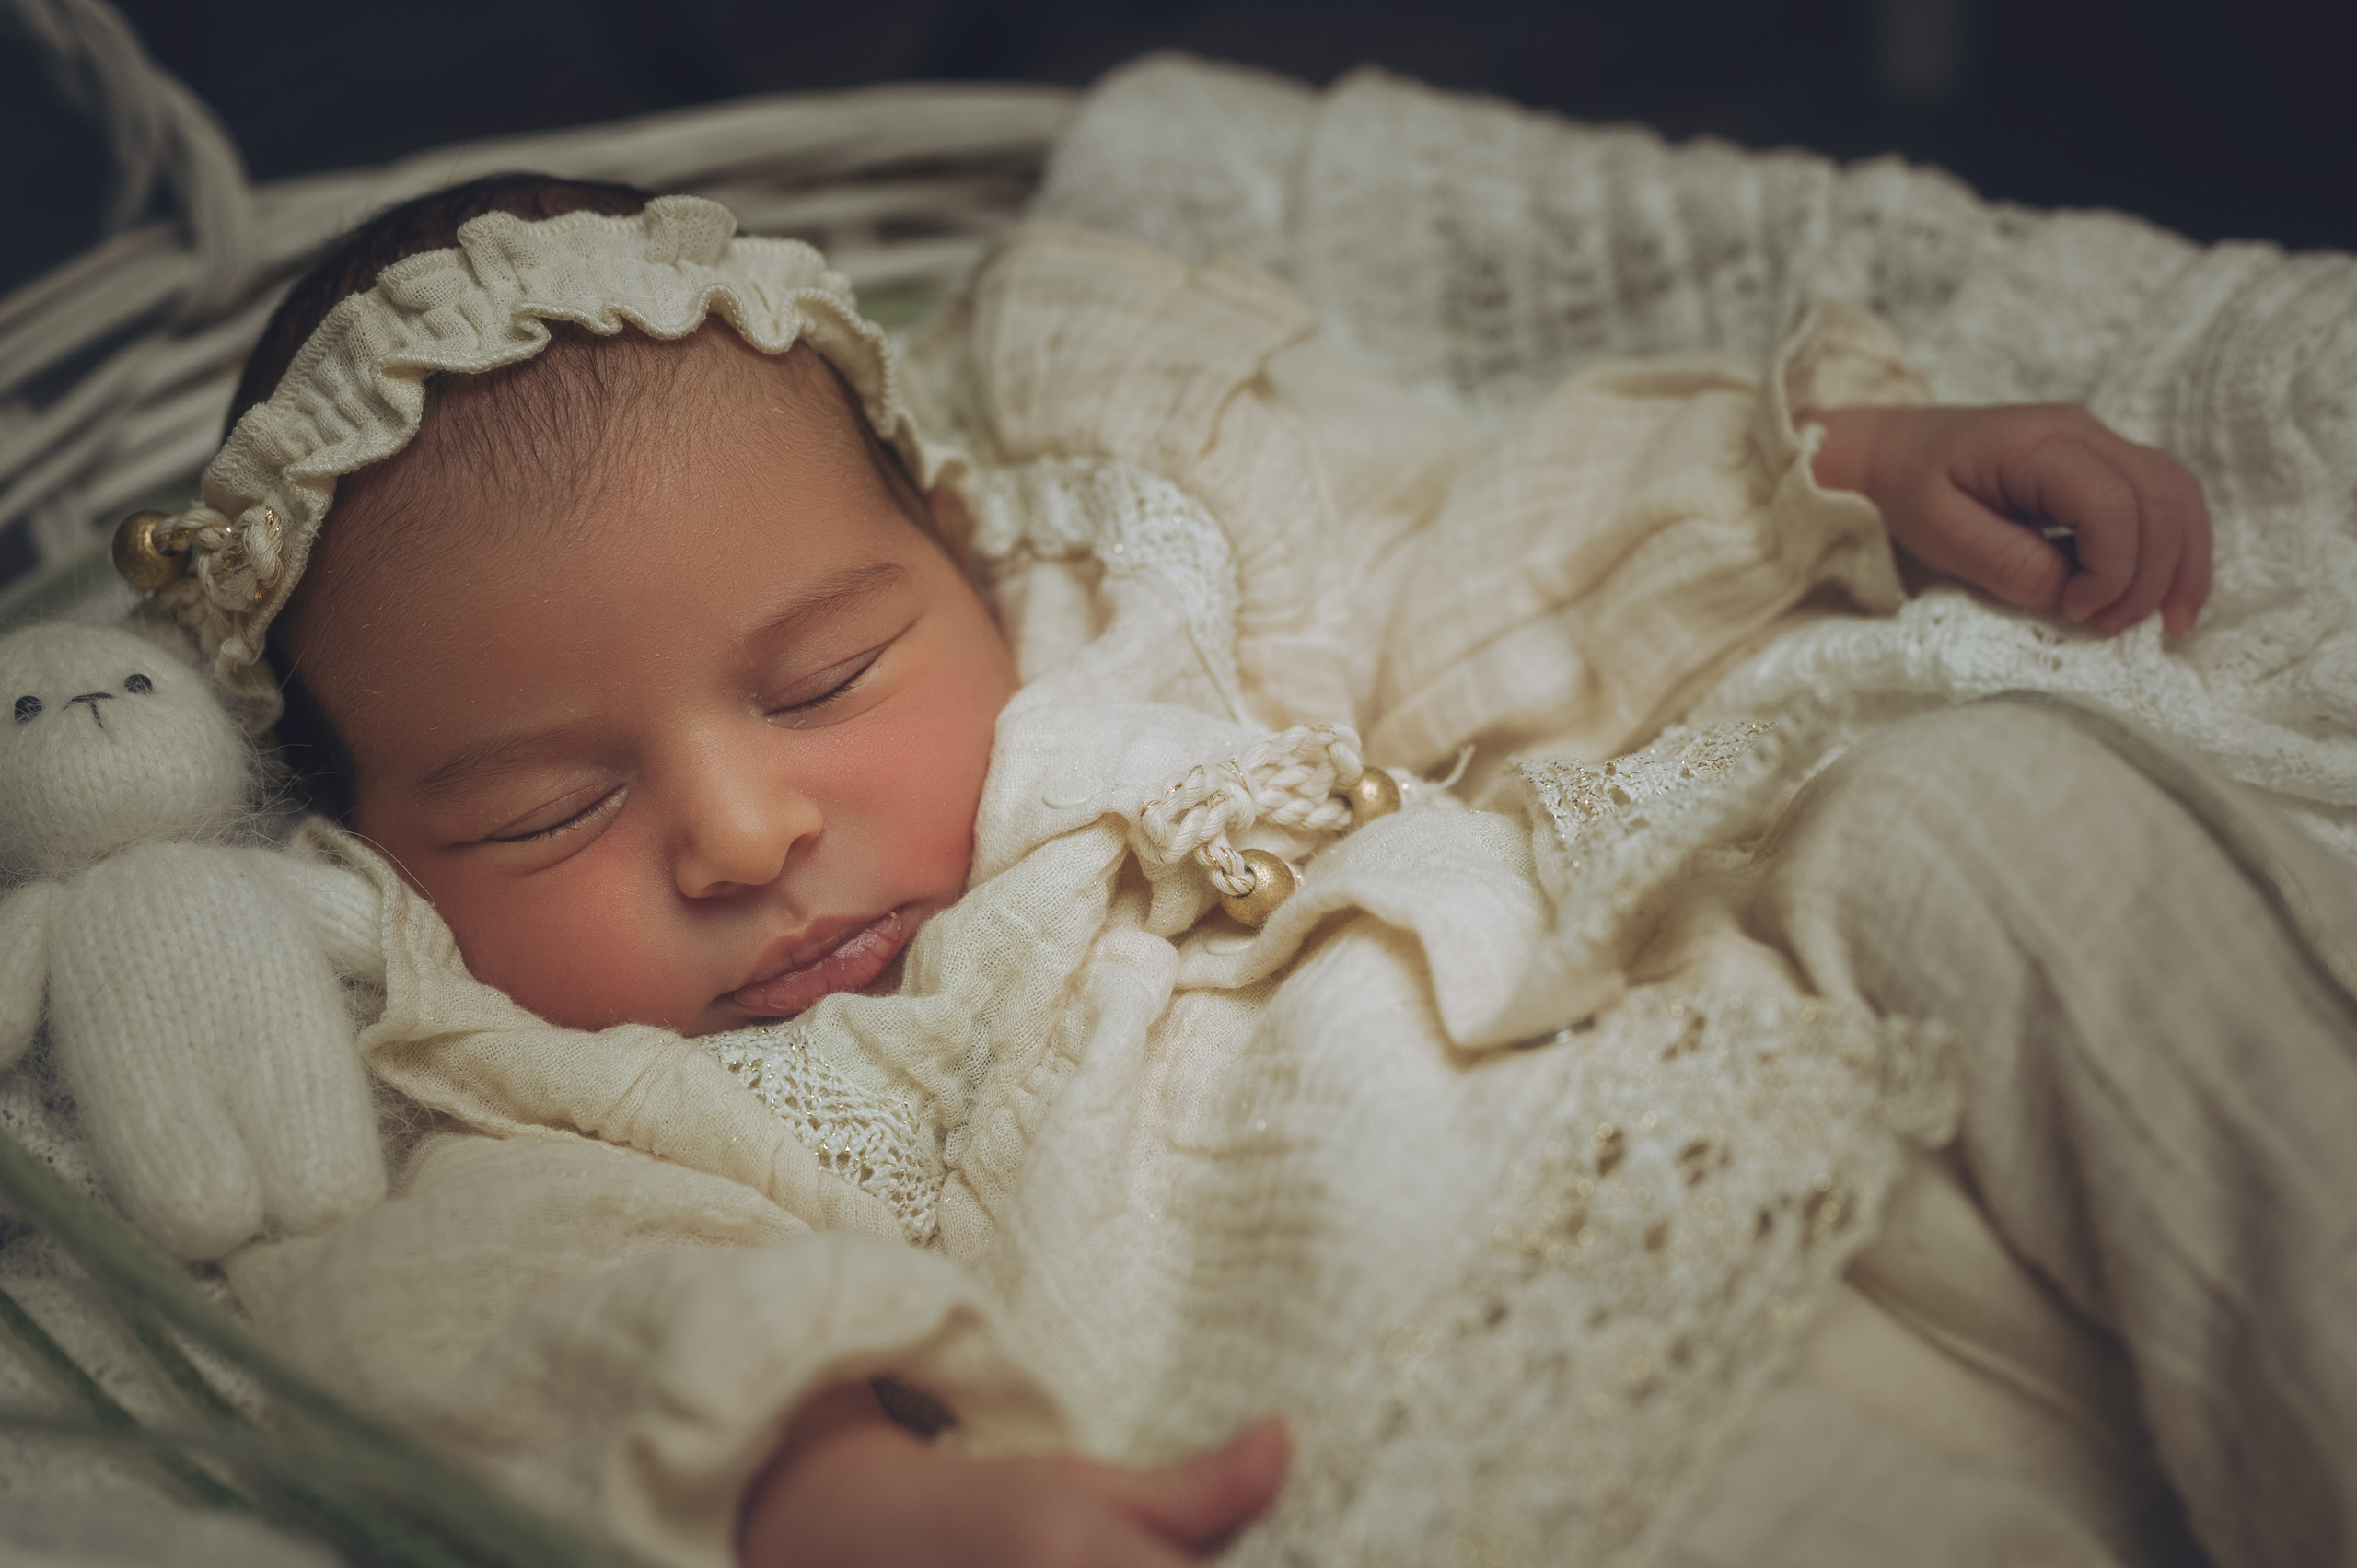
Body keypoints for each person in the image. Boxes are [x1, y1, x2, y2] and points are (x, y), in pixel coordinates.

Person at [116, 169, 2349, 1568]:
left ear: (959, 552)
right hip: (1471, 1430)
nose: (737, 831)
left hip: (1790, 1113)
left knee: (1993, 806)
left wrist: (1847, 471)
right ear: (366, 854)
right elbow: (495, 1322)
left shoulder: (1142, 608)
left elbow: (1470, 554)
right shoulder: (560, 1102)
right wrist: (819, 1481)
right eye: (543, 814)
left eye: (820, 678)